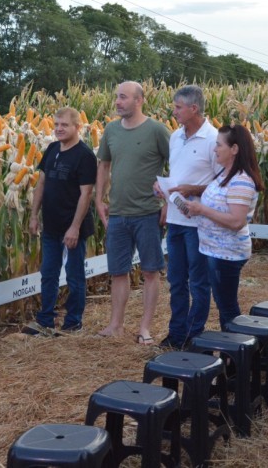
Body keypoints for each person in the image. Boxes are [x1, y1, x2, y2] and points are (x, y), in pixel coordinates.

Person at [95, 81, 170, 344]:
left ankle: (145, 329)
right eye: (117, 97)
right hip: (117, 214)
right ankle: (115, 326)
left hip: (148, 213)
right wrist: (99, 199)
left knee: (150, 271)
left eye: (123, 97)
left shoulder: (157, 130)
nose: (117, 102)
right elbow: (103, 165)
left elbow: (178, 164)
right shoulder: (111, 130)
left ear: (139, 100)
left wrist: (169, 203)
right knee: (118, 271)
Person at [153, 85, 218, 349]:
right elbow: (177, 175)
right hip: (176, 222)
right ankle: (176, 333)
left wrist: (194, 190)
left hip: (199, 224)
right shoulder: (175, 137)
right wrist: (165, 195)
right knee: (176, 281)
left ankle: (193, 336)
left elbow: (222, 184)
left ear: (194, 108)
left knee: (198, 283)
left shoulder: (213, 139)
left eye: (178, 107)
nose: (174, 110)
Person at [182, 125, 264, 331]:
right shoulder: (225, 175)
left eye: (219, 145)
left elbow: (236, 221)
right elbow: (216, 208)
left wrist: (201, 210)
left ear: (234, 149)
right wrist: (193, 208)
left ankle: (236, 354)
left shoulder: (241, 181)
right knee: (224, 305)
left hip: (227, 254)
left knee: (228, 309)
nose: (214, 149)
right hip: (216, 251)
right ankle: (232, 353)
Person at [27, 107, 97, 335]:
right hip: (51, 225)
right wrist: (33, 215)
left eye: (64, 125)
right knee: (48, 273)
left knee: (75, 275)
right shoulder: (52, 149)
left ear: (78, 127)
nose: (58, 129)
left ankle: (73, 322)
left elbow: (86, 194)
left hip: (72, 227)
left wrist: (75, 228)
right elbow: (41, 185)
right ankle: (45, 320)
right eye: (56, 124)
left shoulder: (85, 156)